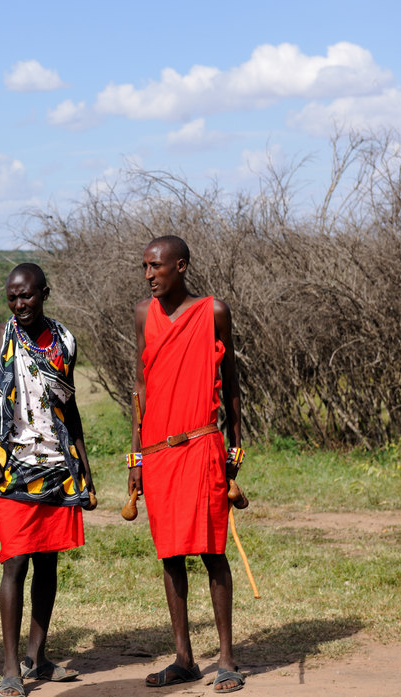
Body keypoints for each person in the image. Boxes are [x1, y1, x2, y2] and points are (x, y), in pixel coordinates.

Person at [0, 263, 95, 697]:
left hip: (56, 465)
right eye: (12, 297)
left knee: (48, 562)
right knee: (15, 563)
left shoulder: (64, 342)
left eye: (27, 297)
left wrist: (84, 467)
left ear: (45, 293)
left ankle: (37, 658)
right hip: (8, 467)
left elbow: (67, 407)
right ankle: (10, 668)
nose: (19, 305)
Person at [129, 236, 245, 693]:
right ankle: (183, 658)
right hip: (158, 452)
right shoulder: (143, 314)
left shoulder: (214, 312)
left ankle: (228, 659)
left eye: (156, 266)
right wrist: (135, 457)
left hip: (202, 445)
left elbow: (231, 382)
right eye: (144, 267)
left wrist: (235, 449)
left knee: (213, 551)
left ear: (181, 266)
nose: (148, 275)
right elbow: (139, 388)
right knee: (170, 555)